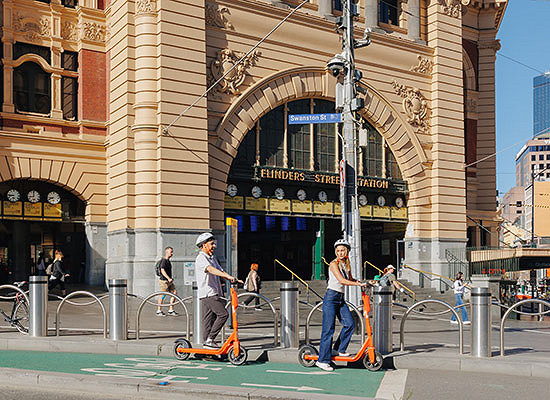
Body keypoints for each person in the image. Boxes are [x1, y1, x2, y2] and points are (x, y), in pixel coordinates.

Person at [316, 239, 367, 372]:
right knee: (328, 329)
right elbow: (342, 281)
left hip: (340, 298)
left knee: (349, 324)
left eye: (342, 250)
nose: (340, 252)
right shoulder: (334, 264)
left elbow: (350, 279)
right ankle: (322, 360)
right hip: (331, 298)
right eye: (338, 250)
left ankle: (337, 350)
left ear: (347, 251)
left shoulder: (346, 265)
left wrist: (364, 282)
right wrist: (357, 285)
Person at [194, 232, 242, 348]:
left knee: (209, 320)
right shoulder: (201, 258)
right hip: (207, 293)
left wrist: (232, 278)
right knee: (223, 314)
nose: (214, 246)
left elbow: (220, 270)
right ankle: (210, 339)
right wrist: (228, 277)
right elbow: (210, 269)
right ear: (204, 245)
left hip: (215, 292)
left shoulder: (212, 258)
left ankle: (207, 343)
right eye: (211, 244)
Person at [157, 246, 178, 316]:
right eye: (170, 252)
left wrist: (170, 279)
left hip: (169, 282)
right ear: (166, 252)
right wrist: (168, 278)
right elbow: (162, 270)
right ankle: (159, 310)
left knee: (174, 293)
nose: (172, 253)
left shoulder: (168, 261)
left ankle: (171, 310)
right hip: (164, 281)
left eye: (172, 252)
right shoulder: (164, 261)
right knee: (162, 295)